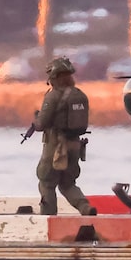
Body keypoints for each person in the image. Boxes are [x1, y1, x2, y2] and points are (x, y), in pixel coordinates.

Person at [33, 56, 96, 216]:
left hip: (55, 148)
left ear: (54, 77)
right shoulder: (80, 95)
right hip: (75, 146)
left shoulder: (53, 96)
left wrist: (36, 119)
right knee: (68, 184)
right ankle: (85, 207)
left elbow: (42, 123)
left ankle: (48, 218)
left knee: (46, 182)